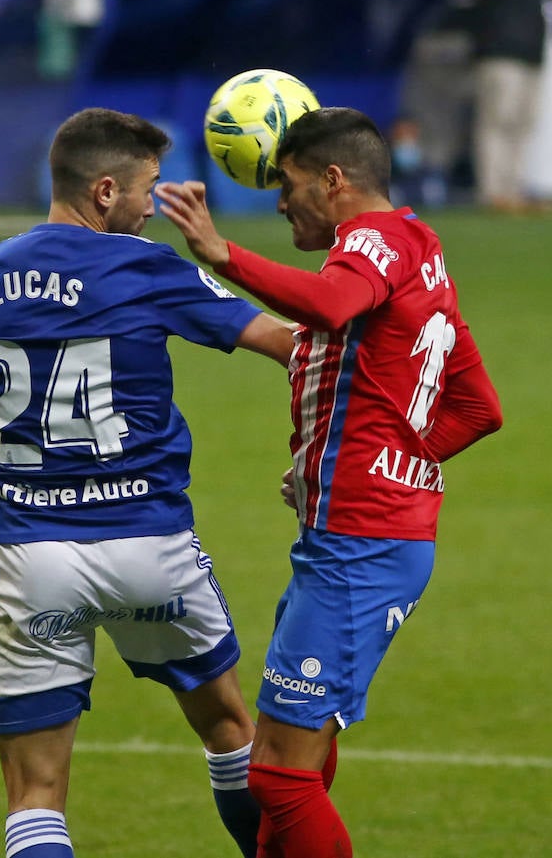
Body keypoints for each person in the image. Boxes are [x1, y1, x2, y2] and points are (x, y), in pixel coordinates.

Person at [0, 108, 297, 858]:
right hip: (154, 550)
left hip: (37, 561)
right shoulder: (146, 267)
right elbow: (287, 345)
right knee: (228, 730)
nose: (154, 209)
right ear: (105, 191)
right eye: (148, 192)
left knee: (36, 796)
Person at [158, 107, 503, 857]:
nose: (280, 202)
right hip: (371, 536)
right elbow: (478, 406)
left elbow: (329, 304)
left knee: (278, 776)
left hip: (361, 549)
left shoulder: (371, 244)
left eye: (288, 184)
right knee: (300, 757)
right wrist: (383, 461)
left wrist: (222, 254)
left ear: (334, 180)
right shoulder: (420, 247)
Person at [471, 0, 552, 212]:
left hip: (532, 48)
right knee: (497, 121)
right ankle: (493, 191)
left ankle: (515, 189)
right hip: (500, 48)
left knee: (523, 122)